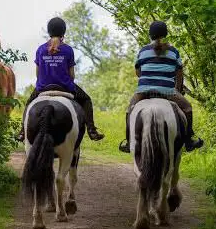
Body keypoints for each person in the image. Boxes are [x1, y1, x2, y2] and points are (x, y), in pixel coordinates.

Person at [119, 21, 203, 153]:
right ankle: (189, 140)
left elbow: (138, 72)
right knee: (187, 107)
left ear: (150, 35)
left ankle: (129, 141)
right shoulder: (173, 51)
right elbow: (179, 73)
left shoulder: (143, 50)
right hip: (167, 91)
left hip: (144, 91)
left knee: (130, 109)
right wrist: (178, 88)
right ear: (166, 34)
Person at [17, 17, 104, 142]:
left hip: (43, 87)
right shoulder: (68, 50)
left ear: (49, 31)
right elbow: (72, 75)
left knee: (29, 103)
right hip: (65, 87)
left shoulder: (40, 49)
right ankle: (91, 130)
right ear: (63, 32)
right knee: (86, 100)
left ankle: (22, 131)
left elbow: (38, 73)